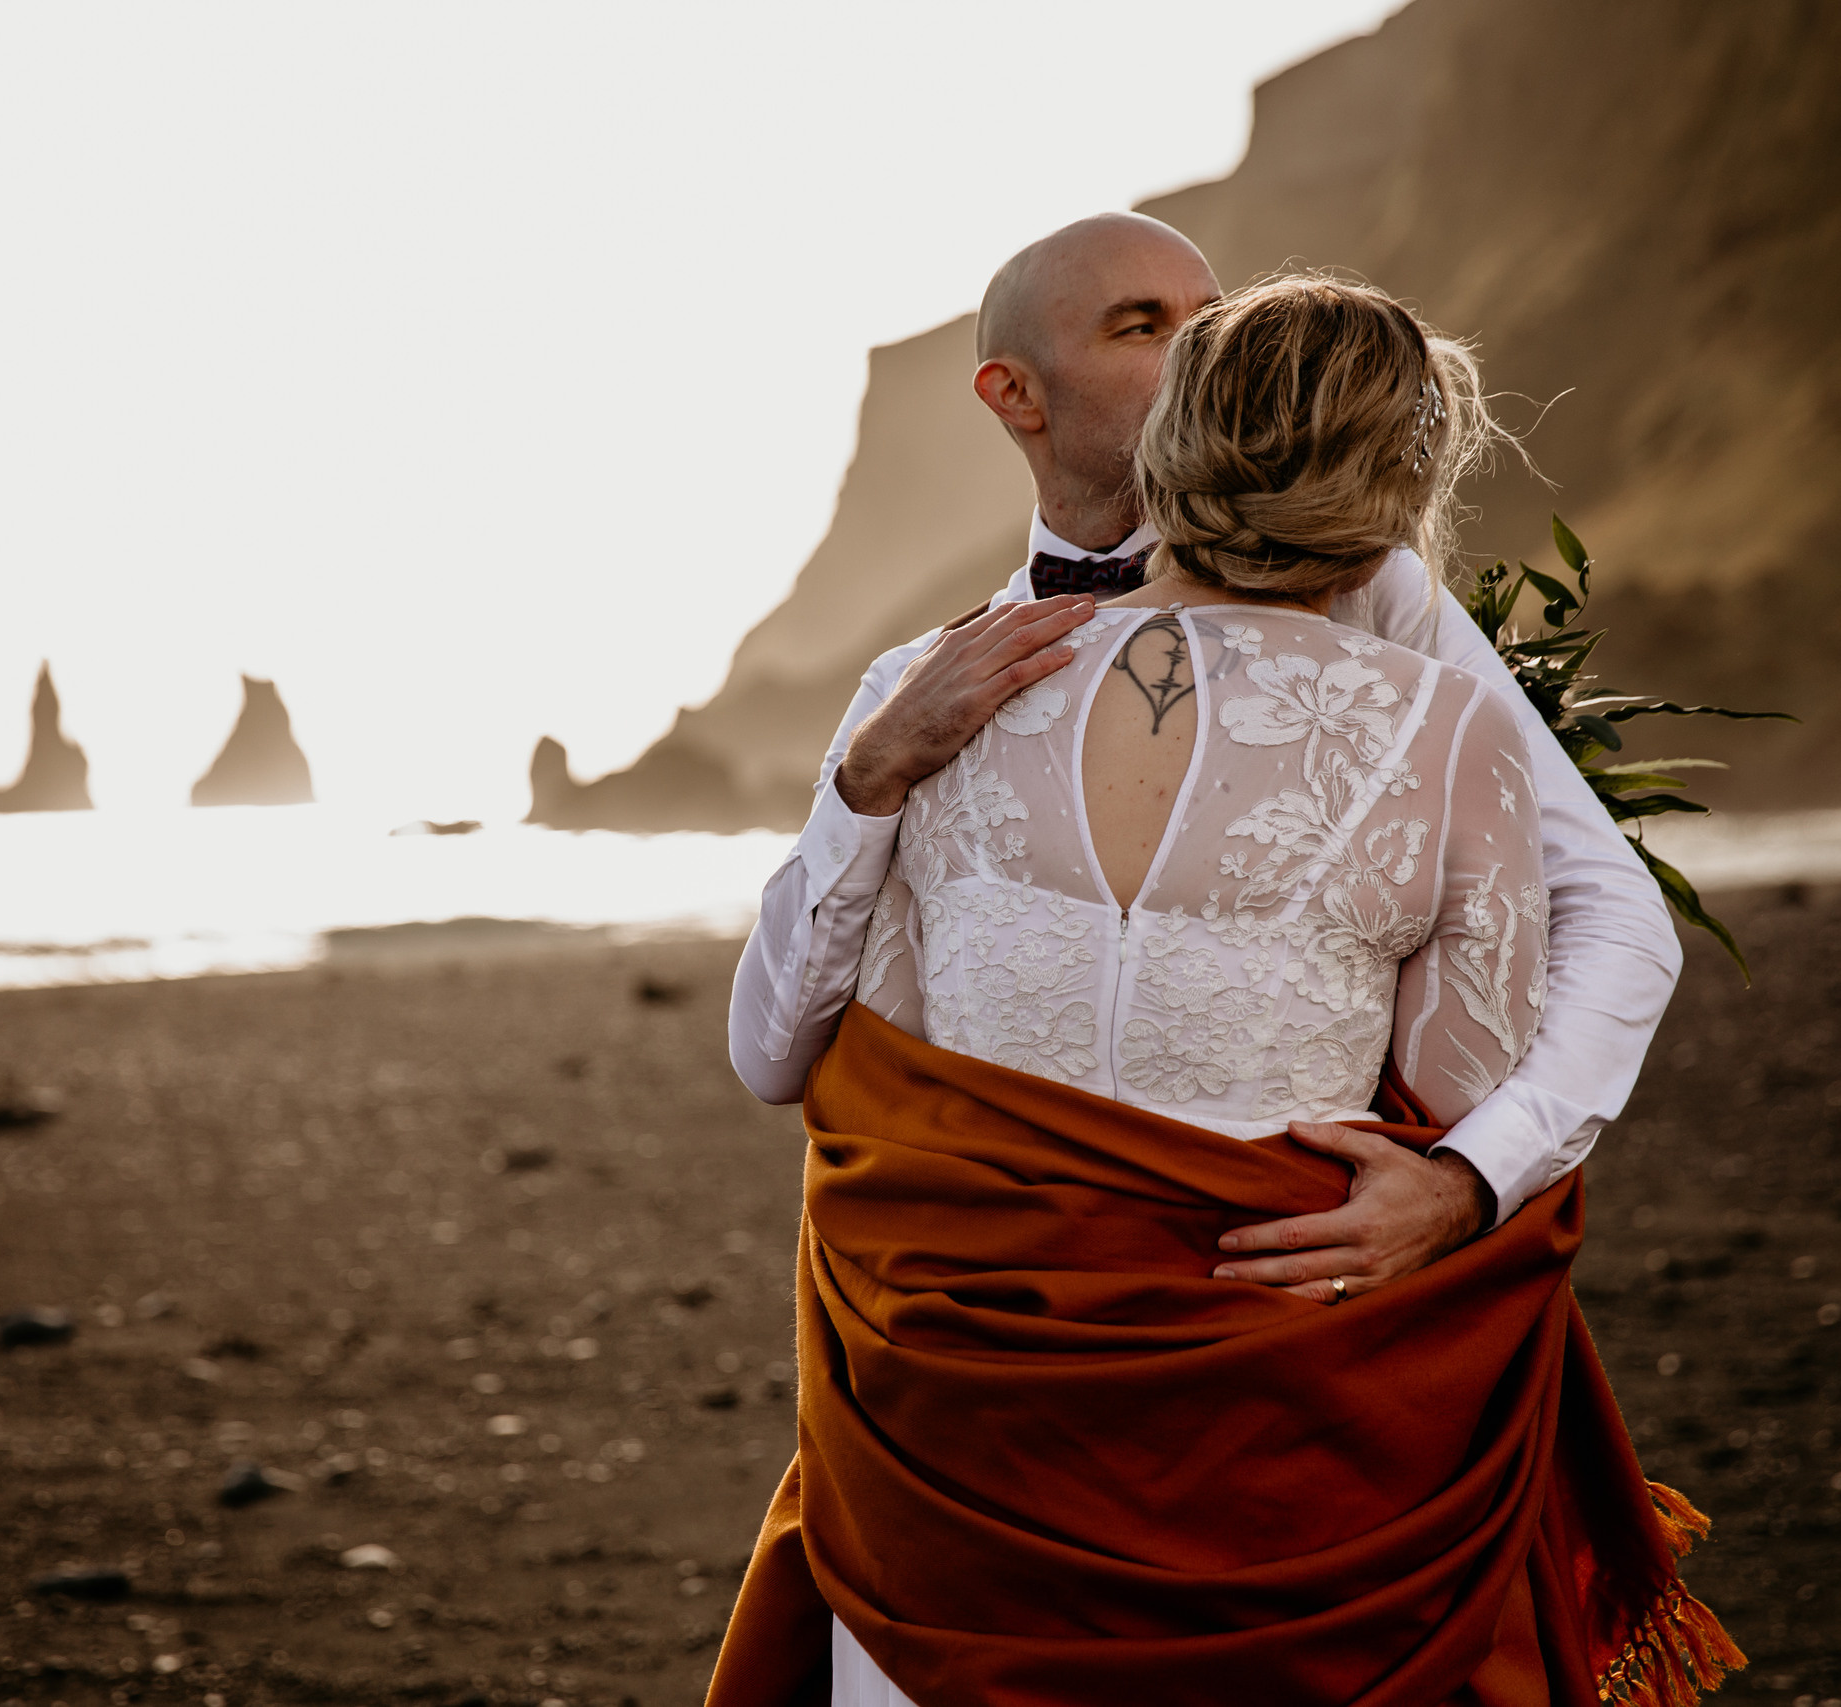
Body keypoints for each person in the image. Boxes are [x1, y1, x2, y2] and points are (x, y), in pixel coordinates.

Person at [706, 274, 1741, 1704]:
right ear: (1404, 484)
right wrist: (1454, 1167)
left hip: (956, 1448)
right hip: (1277, 1444)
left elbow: (835, 1052)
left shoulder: (918, 690)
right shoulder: (1442, 728)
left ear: (1172, 443)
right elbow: (1458, 1087)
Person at [728, 214, 1683, 1300]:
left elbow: (1609, 911)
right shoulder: (917, 686)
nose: (1196, 352)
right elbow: (772, 1052)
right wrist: (866, 779)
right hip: (1006, 1289)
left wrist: (1471, 1178)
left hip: (1295, 1267)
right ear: (1015, 395)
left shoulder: (1380, 597)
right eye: (1141, 328)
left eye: (1210, 321)